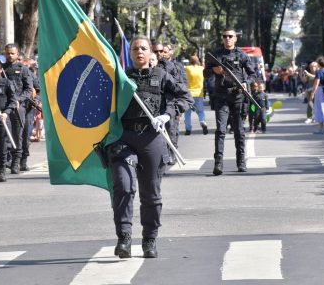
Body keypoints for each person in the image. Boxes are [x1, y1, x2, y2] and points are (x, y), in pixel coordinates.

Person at [109, 35, 190, 259]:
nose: (139, 52)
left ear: (150, 52)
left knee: (151, 194)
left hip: (152, 138)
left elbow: (185, 97)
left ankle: (149, 239)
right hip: (124, 137)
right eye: (135, 49)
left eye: (143, 48)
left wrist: (166, 115)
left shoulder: (162, 76)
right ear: (130, 53)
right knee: (124, 185)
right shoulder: (122, 78)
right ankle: (124, 237)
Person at [204, 29, 256, 175]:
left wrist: (246, 82)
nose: (227, 38)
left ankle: (241, 161)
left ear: (235, 39)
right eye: (224, 36)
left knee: (239, 131)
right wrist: (214, 70)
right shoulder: (216, 55)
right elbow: (205, 74)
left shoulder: (242, 55)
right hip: (221, 96)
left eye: (230, 36)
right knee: (220, 130)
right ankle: (218, 163)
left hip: (238, 96)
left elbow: (252, 74)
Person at [2, 44, 34, 173]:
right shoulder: (1, 69)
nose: (10, 55)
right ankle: (4, 161)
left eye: (12, 53)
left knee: (19, 135)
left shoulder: (23, 69)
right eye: (8, 53)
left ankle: (18, 162)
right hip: (5, 107)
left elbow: (29, 89)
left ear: (17, 54)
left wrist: (18, 100)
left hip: (20, 107)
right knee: (4, 135)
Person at [184, 55, 208, 135]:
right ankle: (202, 121)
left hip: (189, 94)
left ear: (190, 61)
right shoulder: (201, 69)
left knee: (187, 113)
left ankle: (188, 129)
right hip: (199, 93)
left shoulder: (187, 69)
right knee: (200, 111)